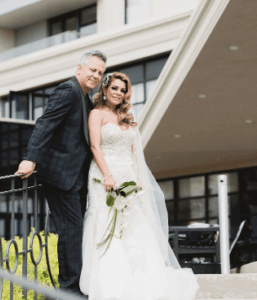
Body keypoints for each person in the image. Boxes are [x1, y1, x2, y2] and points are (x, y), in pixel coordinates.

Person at [80, 72, 199, 300]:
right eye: (114, 88)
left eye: (122, 90)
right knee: (107, 226)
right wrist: (108, 176)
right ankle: (111, 286)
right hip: (104, 178)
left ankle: (141, 283)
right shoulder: (96, 114)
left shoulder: (127, 116)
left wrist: (139, 181)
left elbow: (135, 152)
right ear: (105, 90)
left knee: (134, 228)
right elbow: (95, 147)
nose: (118, 93)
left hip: (129, 178)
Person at [15, 50, 106, 295]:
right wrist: (30, 158)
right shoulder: (68, 90)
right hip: (59, 174)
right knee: (71, 229)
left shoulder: (86, 99)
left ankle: (76, 286)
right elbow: (45, 123)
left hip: (76, 177)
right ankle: (69, 289)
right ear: (80, 69)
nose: (96, 75)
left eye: (100, 72)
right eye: (92, 70)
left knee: (76, 230)